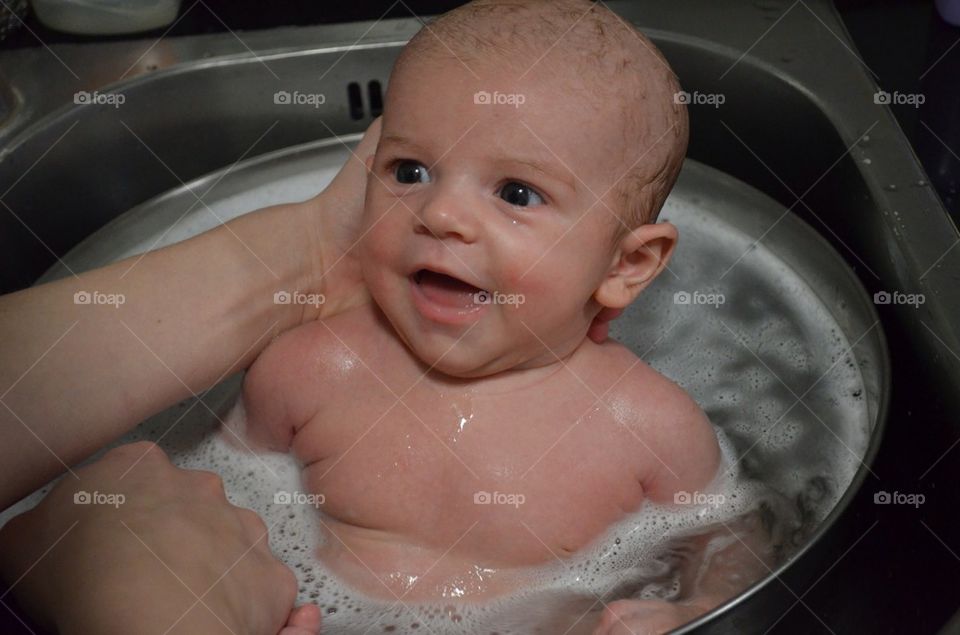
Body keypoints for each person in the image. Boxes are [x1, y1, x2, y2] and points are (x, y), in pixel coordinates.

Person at [230, 1, 739, 632]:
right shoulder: (309, 370)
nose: (440, 213)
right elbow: (216, 512)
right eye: (409, 171)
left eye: (516, 193)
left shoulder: (649, 428)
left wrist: (693, 609)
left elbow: (729, 547)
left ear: (625, 265)